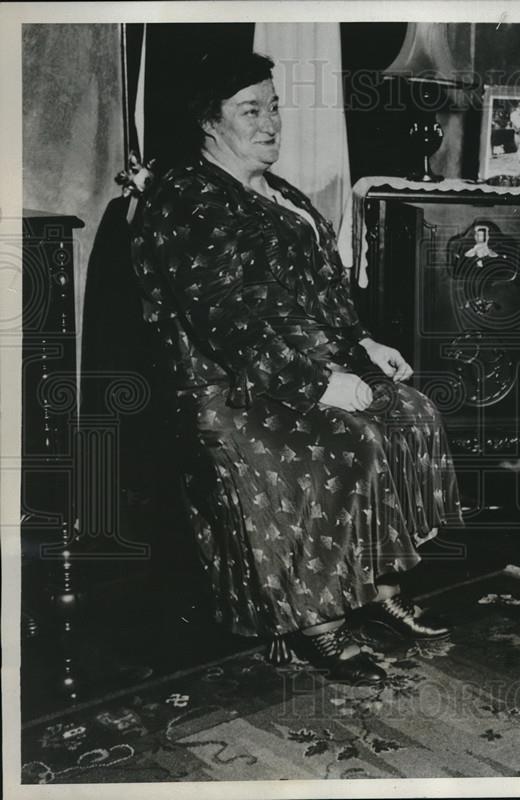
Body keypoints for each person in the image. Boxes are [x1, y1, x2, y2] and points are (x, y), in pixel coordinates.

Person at [132, 52, 462, 686]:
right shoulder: (185, 196)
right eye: (249, 110)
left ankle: (375, 585)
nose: (270, 122)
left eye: (274, 106)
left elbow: (324, 289)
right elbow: (227, 317)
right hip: (229, 385)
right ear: (209, 123)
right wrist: (318, 384)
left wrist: (364, 345)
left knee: (413, 413)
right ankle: (317, 624)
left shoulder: (280, 191)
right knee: (347, 441)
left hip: (304, 364)